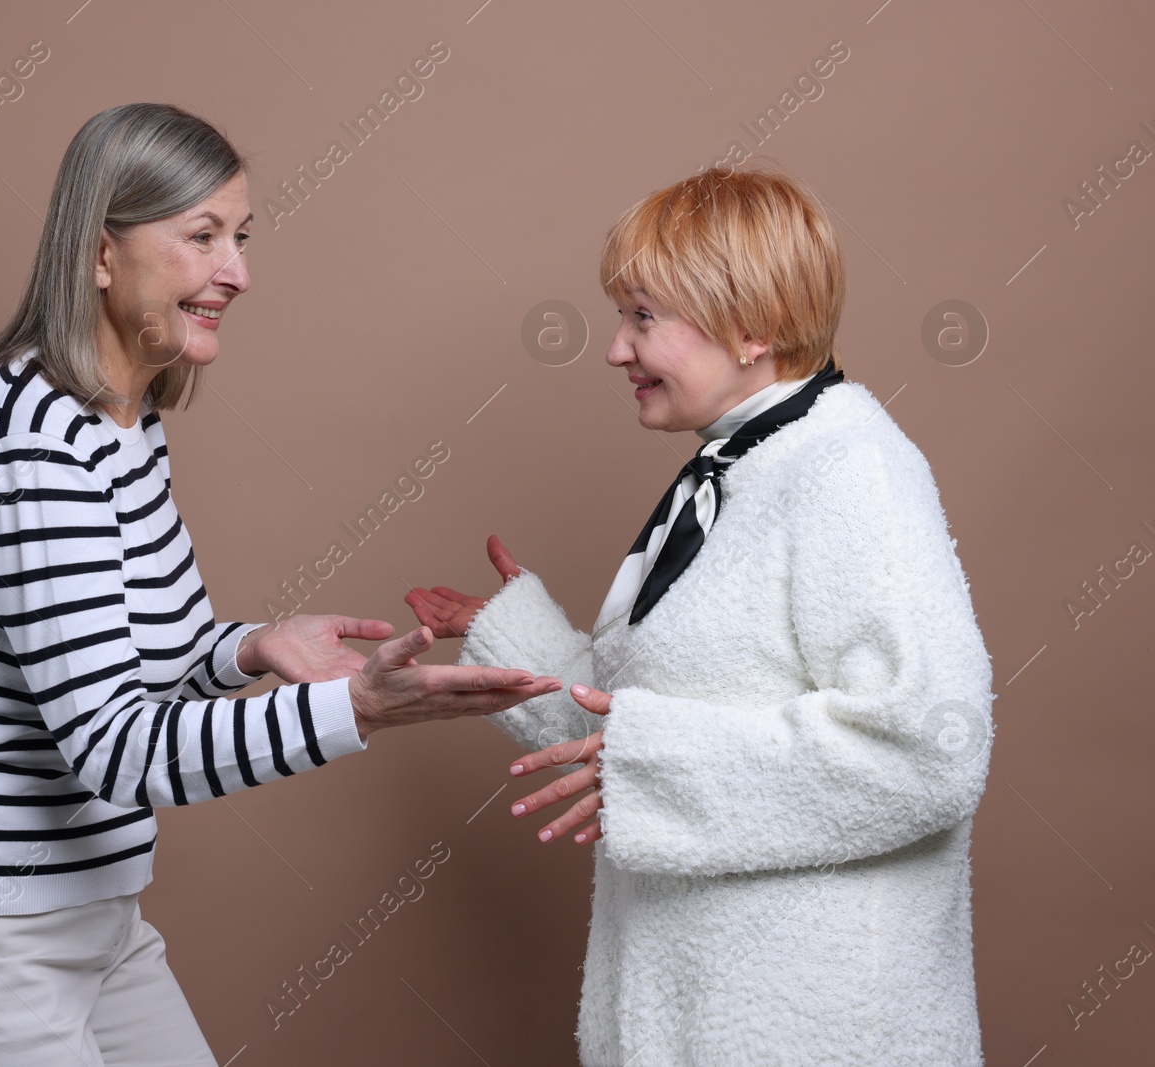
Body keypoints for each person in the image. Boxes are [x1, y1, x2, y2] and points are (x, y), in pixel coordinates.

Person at [0, 102, 560, 1067]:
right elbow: (114, 748)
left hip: (83, 910)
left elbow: (129, 658)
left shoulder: (119, 426)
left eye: (242, 237)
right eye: (203, 236)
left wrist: (246, 648)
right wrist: (358, 709)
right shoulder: (40, 444)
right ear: (102, 254)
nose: (238, 272)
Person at [407, 162, 995, 1065]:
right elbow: (643, 730)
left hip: (817, 1034)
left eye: (644, 317)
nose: (614, 348)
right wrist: (513, 639)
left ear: (751, 325)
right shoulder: (738, 472)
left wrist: (654, 763)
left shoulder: (853, 473)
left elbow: (928, 748)